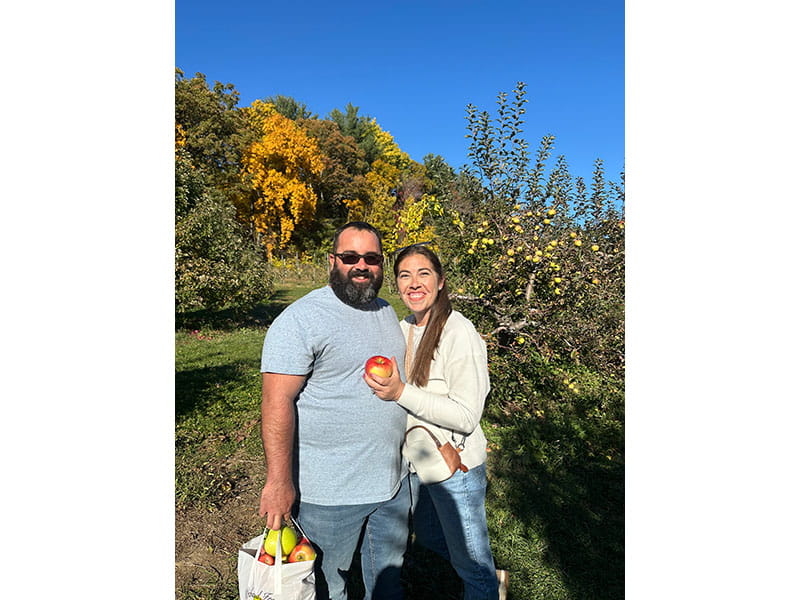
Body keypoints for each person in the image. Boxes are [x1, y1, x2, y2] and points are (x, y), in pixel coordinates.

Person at [258, 222, 411, 600]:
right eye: (350, 257)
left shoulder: (387, 312)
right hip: (329, 494)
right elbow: (276, 401)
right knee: (328, 587)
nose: (361, 265)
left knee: (388, 583)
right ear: (332, 261)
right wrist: (278, 482)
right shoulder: (302, 319)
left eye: (371, 258)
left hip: (392, 484)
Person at [364, 244, 499, 600]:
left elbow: (467, 416)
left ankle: (485, 588)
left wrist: (400, 393)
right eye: (404, 275)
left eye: (423, 273)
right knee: (430, 538)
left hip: (455, 468)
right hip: (418, 464)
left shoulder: (458, 332)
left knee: (473, 563)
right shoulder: (403, 328)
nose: (414, 283)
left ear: (440, 282)